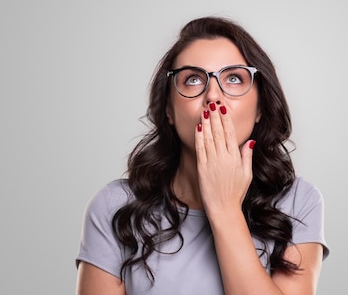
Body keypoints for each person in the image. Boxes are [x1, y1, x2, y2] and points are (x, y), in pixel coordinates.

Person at [75, 16, 329, 295]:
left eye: (233, 78)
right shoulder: (114, 207)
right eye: (193, 79)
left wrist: (225, 209)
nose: (213, 96)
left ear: (260, 108)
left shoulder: (298, 203)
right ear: (169, 111)